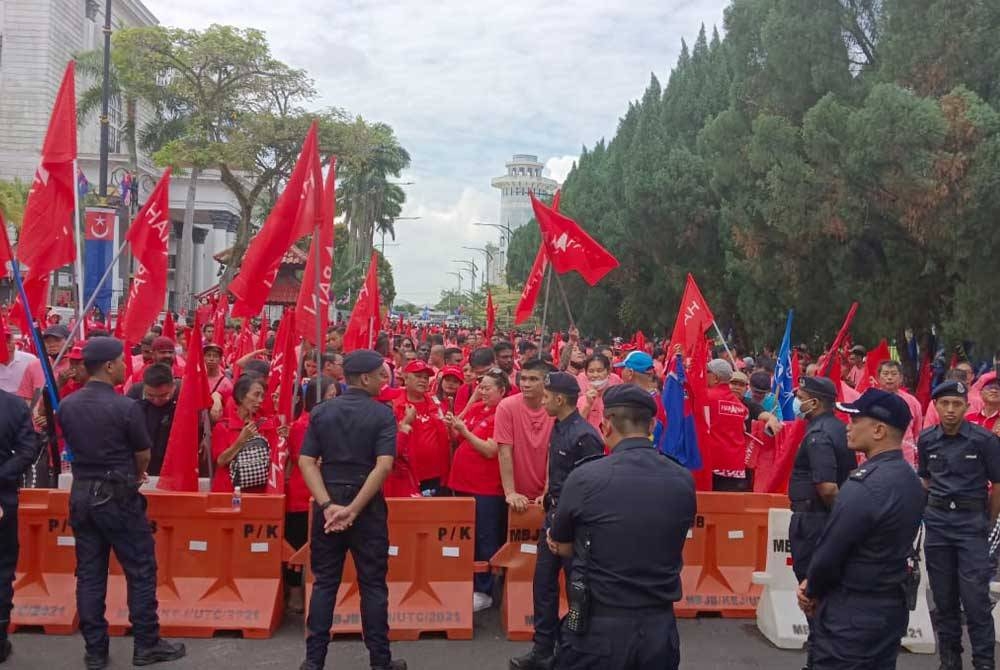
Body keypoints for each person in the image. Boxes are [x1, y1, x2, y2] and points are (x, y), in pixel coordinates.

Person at [56, 338, 185, 669]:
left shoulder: (68, 406)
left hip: (82, 492)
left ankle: (95, 650)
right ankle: (146, 643)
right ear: (110, 366)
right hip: (117, 493)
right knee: (140, 569)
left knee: (89, 573)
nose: (127, 367)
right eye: (121, 362)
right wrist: (137, 474)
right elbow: (143, 453)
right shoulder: (125, 406)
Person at [547, 385, 696, 669]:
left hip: (599, 628)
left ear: (606, 426)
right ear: (652, 425)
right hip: (659, 629)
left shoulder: (586, 477)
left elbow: (562, 544)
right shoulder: (682, 479)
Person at [797, 389, 924, 669]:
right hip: (889, 607)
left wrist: (811, 588)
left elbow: (831, 552)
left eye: (855, 420)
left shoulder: (864, 485)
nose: (848, 426)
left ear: (878, 430)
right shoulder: (910, 480)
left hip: (851, 615)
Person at [297, 350, 404, 670]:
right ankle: (380, 662)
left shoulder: (321, 412)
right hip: (366, 505)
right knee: (372, 583)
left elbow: (306, 462)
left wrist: (328, 505)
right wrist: (355, 509)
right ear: (365, 378)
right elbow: (384, 466)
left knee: (324, 583)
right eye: (380, 375)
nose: (384, 380)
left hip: (329, 499)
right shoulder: (382, 415)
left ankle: (314, 662)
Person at [509, 372, 604, 670]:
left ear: (560, 399)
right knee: (543, 586)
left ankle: (575, 650)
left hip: (574, 528)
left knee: (578, 591)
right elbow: (559, 473)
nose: (542, 400)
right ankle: (542, 650)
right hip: (553, 517)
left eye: (547, 396)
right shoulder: (558, 426)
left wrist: (566, 529)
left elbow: (589, 490)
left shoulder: (585, 436)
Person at [917, 380, 1000, 670]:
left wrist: (986, 521)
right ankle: (950, 661)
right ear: (936, 406)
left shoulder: (984, 440)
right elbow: (925, 479)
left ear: (967, 407)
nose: (950, 410)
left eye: (957, 404)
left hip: (971, 525)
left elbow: (997, 484)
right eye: (945, 404)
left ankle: (984, 662)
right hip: (938, 525)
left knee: (976, 599)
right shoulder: (927, 439)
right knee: (944, 598)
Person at [786, 376, 855, 670]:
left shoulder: (820, 435)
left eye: (800, 396)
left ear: (814, 402)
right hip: (819, 517)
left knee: (814, 594)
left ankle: (819, 659)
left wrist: (842, 524)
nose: (796, 401)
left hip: (815, 520)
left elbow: (827, 486)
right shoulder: (836, 428)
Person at [445, 368, 510, 612]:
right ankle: (468, 584)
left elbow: (490, 450)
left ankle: (485, 590)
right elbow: (454, 432)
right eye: (480, 386)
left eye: (487, 387)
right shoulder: (475, 408)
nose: (482, 390)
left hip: (485, 489)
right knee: (465, 538)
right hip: (461, 484)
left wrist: (464, 431)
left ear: (501, 391)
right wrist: (467, 407)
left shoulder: (501, 414)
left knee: (485, 538)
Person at [285, 376, 339, 615]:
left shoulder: (334, 422)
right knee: (296, 545)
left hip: (326, 490)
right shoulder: (302, 425)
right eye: (330, 396)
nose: (334, 400)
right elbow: (305, 459)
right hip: (302, 492)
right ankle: (295, 591)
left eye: (336, 395)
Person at [0, 386, 36, 664]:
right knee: (1, 567)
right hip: (2, 494)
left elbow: (27, 451)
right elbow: (26, 452)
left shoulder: (13, 406)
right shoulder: (14, 405)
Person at [497, 358, 555, 514]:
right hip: (514, 492)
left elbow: (554, 453)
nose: (526, 384)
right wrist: (510, 492)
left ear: (545, 382)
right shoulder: (506, 406)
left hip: (547, 492)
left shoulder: (554, 408)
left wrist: (547, 492)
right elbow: (504, 450)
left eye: (533, 379)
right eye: (523, 378)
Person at [210, 375, 279, 493]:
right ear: (241, 396)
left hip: (259, 495)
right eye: (256, 395)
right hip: (228, 493)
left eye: (262, 396)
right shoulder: (223, 427)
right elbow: (221, 461)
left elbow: (275, 458)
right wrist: (241, 440)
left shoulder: (267, 424)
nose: (260, 400)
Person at [392, 360, 451, 496]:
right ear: (406, 378)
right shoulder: (395, 404)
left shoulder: (435, 403)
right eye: (418, 376)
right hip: (407, 475)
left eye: (425, 377)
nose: (423, 380)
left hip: (436, 474)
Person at [126, 364, 179, 477]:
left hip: (172, 457)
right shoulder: (135, 392)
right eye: (150, 395)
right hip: (143, 456)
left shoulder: (183, 393)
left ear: (173, 386)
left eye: (163, 395)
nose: (156, 400)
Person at [875, 360, 922, 467]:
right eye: (885, 374)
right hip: (877, 454)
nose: (889, 377)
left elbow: (917, 432)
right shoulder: (869, 399)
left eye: (894, 374)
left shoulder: (912, 402)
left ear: (901, 378)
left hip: (905, 456)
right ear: (878, 378)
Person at [576, 353, 621, 430]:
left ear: (608, 372)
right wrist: (587, 405)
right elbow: (576, 427)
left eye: (600, 371)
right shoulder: (581, 401)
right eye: (591, 371)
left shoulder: (617, 397)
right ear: (586, 373)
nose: (595, 375)